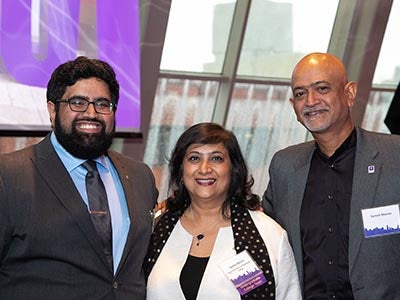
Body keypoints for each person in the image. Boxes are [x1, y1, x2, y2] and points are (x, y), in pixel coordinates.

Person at [0, 56, 159, 299]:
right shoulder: (9, 176)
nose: (92, 113)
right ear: (53, 110)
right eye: (78, 102)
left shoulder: (140, 177)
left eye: (103, 104)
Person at [262, 52, 400, 299]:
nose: (311, 101)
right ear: (293, 106)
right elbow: (262, 234)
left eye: (322, 88)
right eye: (301, 93)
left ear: (349, 94)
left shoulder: (394, 157)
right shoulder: (284, 166)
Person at [143, 122, 301, 300]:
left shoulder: (268, 235)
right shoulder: (157, 227)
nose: (204, 169)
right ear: (181, 170)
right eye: (194, 158)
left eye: (216, 158)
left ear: (233, 168)